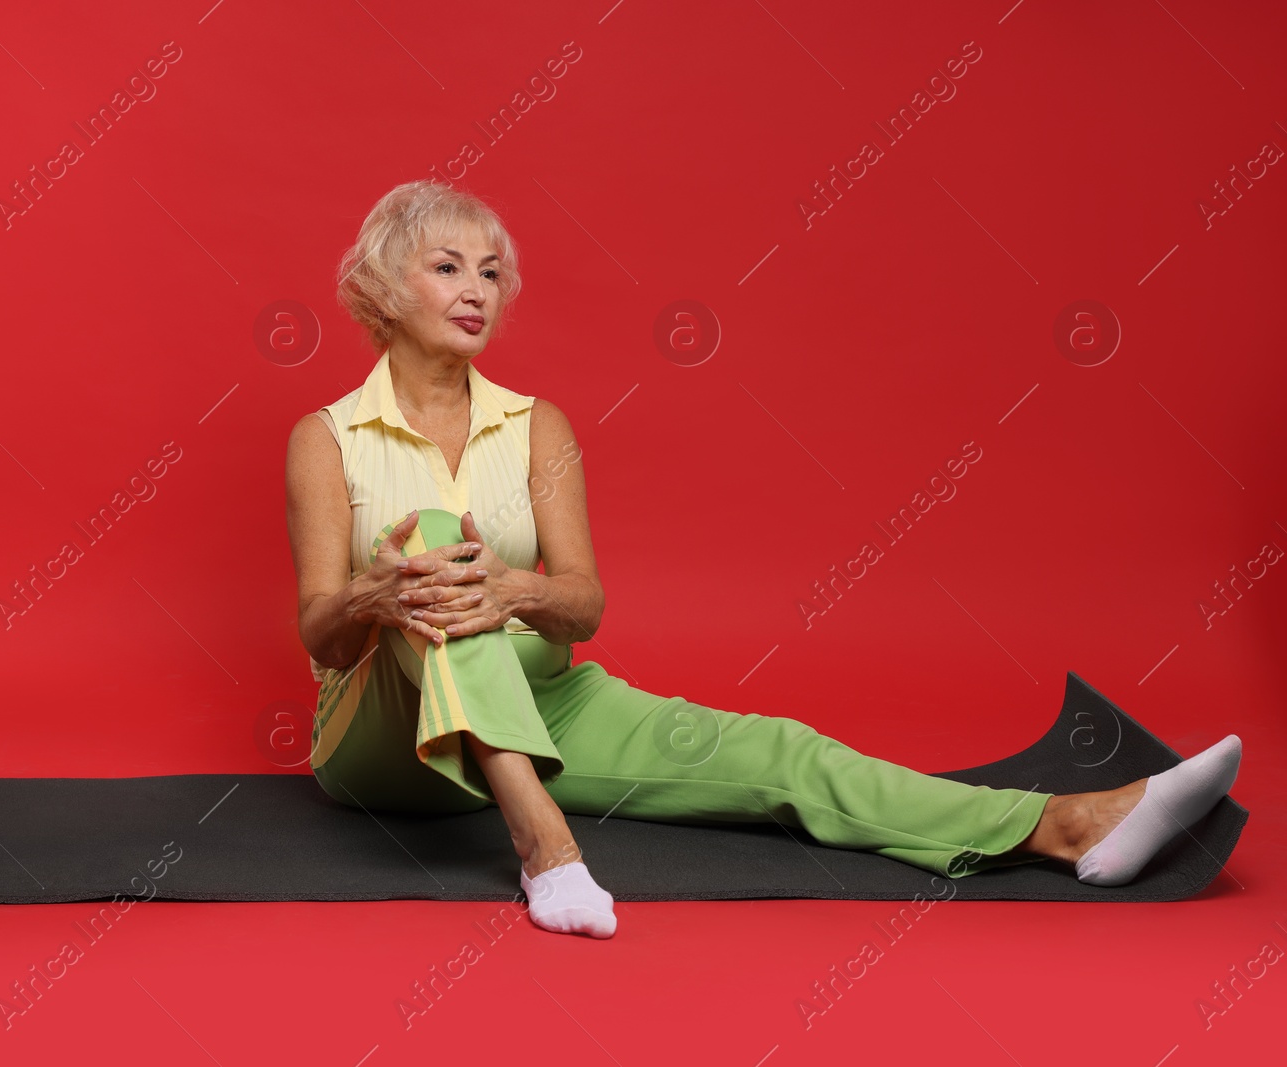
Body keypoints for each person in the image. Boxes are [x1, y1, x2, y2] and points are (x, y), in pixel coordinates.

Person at [284, 179, 1243, 940]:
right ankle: (546, 847)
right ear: (378, 287)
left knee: (779, 750)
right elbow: (325, 641)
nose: (476, 291)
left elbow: (581, 607)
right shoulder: (325, 438)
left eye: (491, 273)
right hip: (383, 736)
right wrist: (378, 591)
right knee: (430, 553)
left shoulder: (538, 426)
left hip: (546, 703)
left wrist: (520, 588)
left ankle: (1067, 826)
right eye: (448, 266)